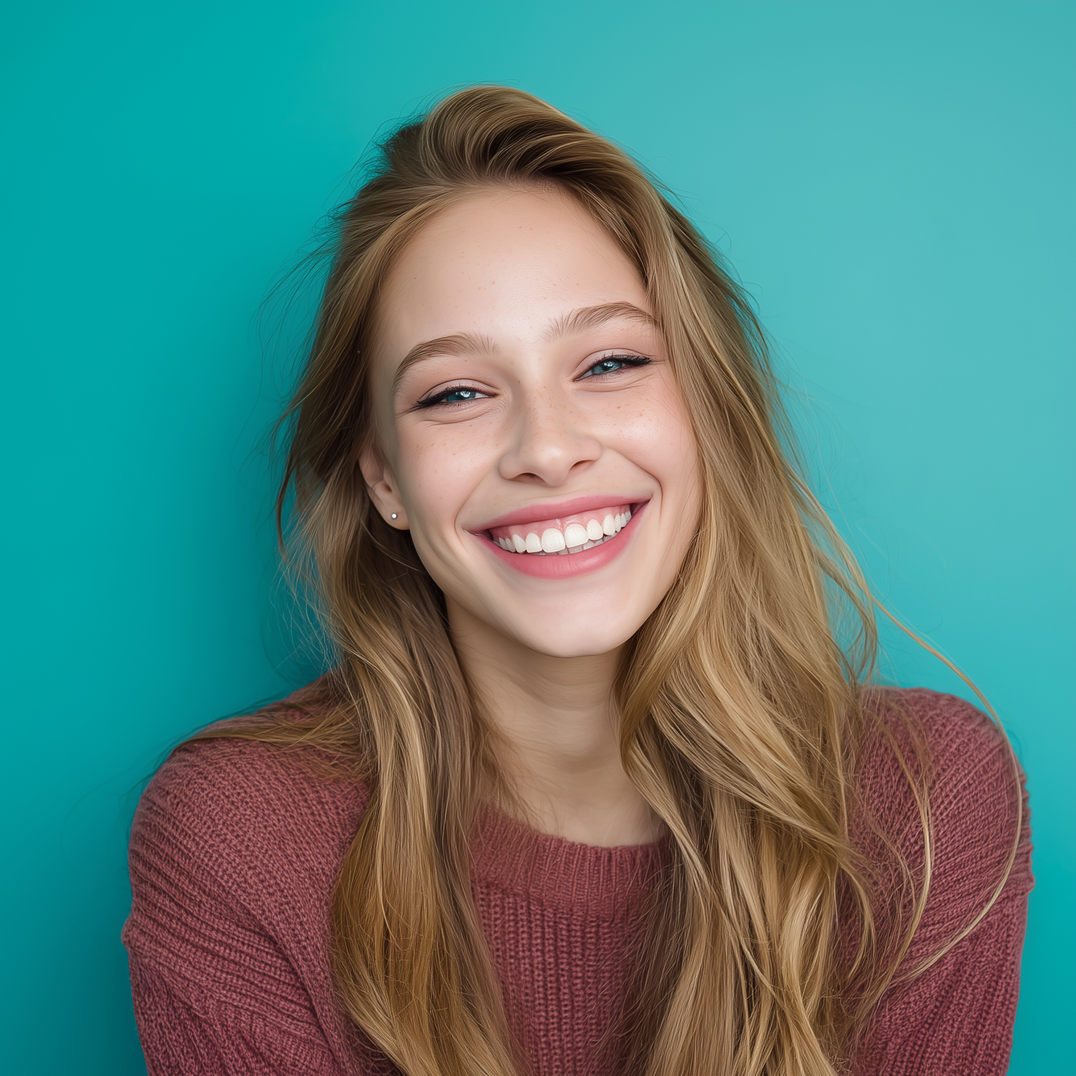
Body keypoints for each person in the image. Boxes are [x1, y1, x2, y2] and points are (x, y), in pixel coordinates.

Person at [123, 86, 1032, 1076]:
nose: (547, 449)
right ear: (381, 476)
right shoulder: (239, 839)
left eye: (606, 362)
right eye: (457, 391)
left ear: (706, 414)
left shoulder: (923, 804)